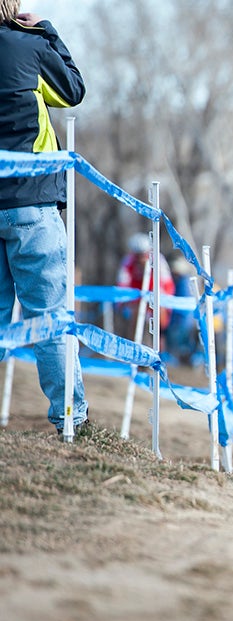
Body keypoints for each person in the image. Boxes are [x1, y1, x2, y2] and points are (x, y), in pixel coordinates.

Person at [0, 4, 88, 434]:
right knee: (49, 316)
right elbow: (72, 90)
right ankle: (69, 420)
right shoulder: (29, 46)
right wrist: (46, 31)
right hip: (31, 202)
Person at [116, 232, 176, 339]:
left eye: (142, 255)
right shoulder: (128, 261)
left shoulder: (158, 260)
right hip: (136, 299)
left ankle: (160, 342)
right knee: (134, 317)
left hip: (156, 298)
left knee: (160, 321)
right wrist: (123, 301)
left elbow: (167, 282)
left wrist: (161, 300)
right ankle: (132, 342)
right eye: (137, 255)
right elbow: (123, 282)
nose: (140, 259)